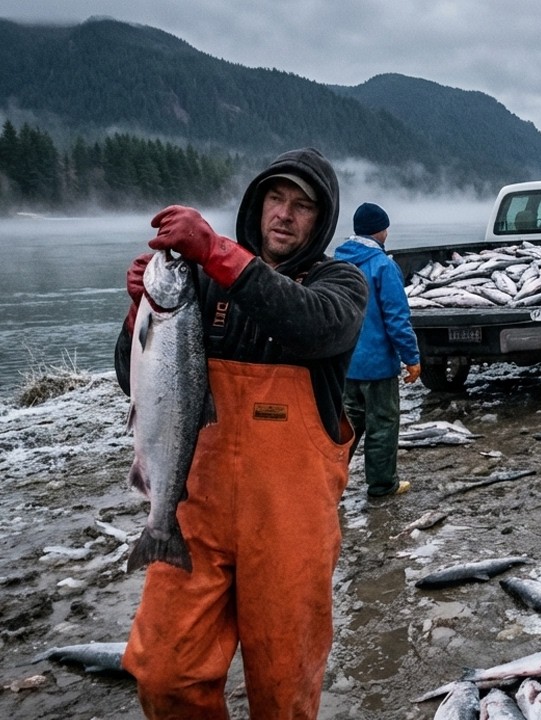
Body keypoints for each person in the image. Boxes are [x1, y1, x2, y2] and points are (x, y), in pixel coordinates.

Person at [115, 147, 368, 718]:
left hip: (290, 525)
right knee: (164, 674)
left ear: (320, 220)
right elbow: (133, 382)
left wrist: (218, 253)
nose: (284, 214)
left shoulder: (341, 283)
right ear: (257, 204)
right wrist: (140, 316)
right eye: (275, 199)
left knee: (284, 688)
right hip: (192, 516)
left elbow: (311, 325)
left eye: (302, 206)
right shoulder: (201, 287)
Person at [335, 202, 422, 499]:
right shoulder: (383, 266)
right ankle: (383, 485)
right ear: (380, 231)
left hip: (345, 364)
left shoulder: (337, 262)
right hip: (378, 365)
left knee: (346, 427)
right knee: (382, 425)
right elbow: (397, 318)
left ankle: (328, 482)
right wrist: (411, 358)